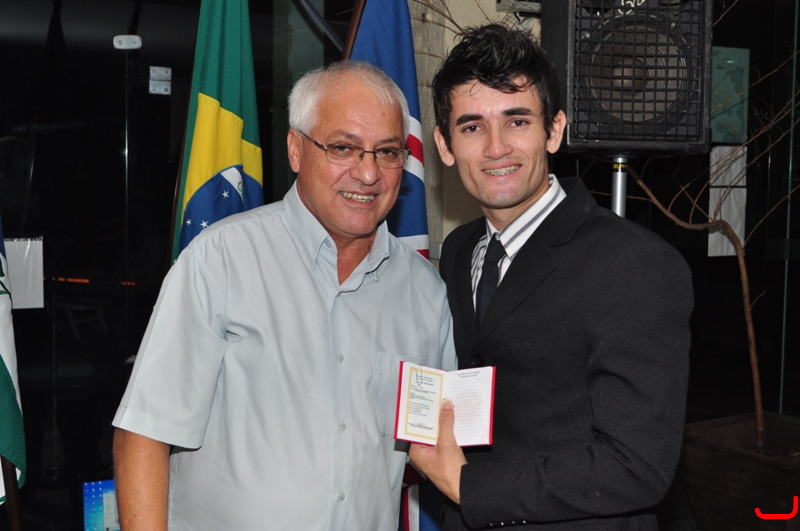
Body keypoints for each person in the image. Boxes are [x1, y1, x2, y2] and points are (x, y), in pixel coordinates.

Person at [112, 60, 456, 530]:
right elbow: (144, 432)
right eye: (343, 148)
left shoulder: (425, 293)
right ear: (295, 149)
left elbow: (436, 447)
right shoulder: (222, 260)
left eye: (388, 152)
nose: (368, 173)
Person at [409, 24, 694, 530]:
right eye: (472, 127)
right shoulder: (459, 251)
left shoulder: (635, 264)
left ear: (554, 130)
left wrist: (469, 486)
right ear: (444, 145)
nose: (496, 147)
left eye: (517, 121)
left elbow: (638, 466)